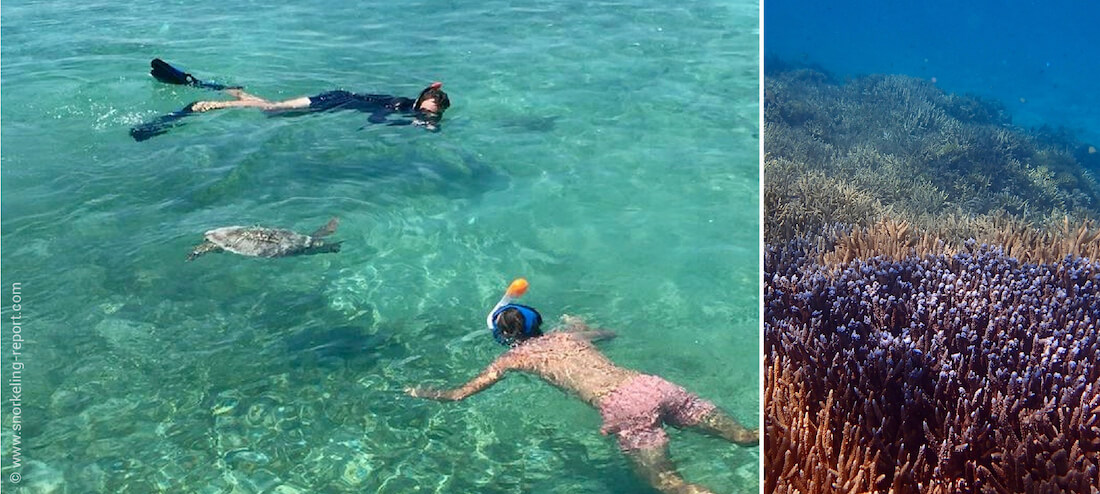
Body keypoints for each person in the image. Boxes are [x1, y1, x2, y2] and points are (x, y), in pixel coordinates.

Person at [407, 305, 758, 494]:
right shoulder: (568, 336)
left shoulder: (512, 358)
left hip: (623, 407)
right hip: (651, 384)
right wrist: (580, 324)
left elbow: (459, 395)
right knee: (744, 436)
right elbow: (609, 333)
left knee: (669, 485)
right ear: (538, 324)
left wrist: (422, 392)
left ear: (504, 338)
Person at [130, 58, 450, 141]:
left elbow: (419, 102)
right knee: (272, 109)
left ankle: (211, 86)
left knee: (271, 110)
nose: (429, 117)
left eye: (433, 114)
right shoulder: (401, 106)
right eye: (430, 111)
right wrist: (405, 126)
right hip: (331, 99)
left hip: (335, 99)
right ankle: (205, 105)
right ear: (424, 101)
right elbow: (374, 118)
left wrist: (419, 116)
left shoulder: (411, 104)